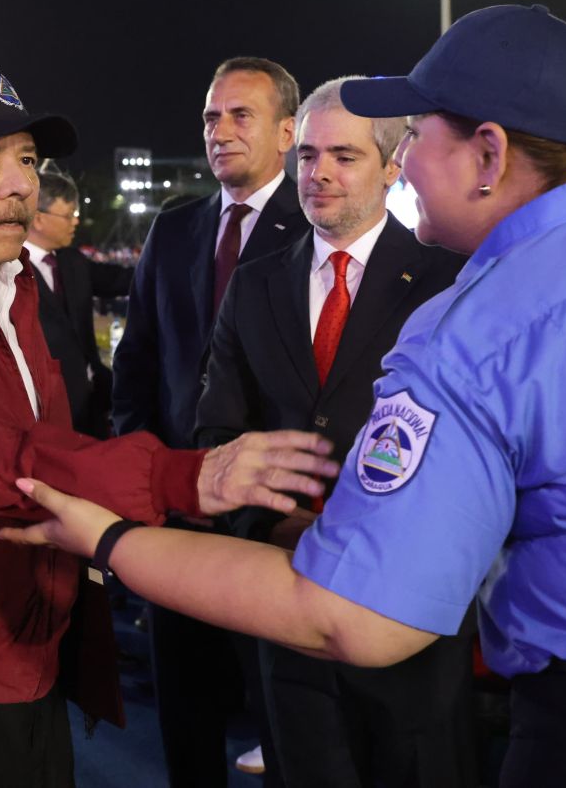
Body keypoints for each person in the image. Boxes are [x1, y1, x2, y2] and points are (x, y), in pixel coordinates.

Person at [0, 5, 566, 788]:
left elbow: (352, 619)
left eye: (415, 135)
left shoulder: (477, 321)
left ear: (488, 154)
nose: (406, 161)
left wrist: (110, 538)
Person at [0, 66, 332, 788]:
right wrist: (180, 475)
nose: (19, 184)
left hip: (23, 654)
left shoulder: (5, 279)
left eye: (26, 159)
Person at [197, 77, 472, 788]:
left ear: (392, 165)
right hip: (286, 606)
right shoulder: (254, 284)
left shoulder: (453, 282)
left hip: (410, 614)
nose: (318, 173)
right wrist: (270, 522)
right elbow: (218, 432)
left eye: (344, 157)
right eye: (309, 155)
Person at [112, 56, 309, 787]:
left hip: (271, 522)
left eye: (240, 115)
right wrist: (143, 472)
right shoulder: (174, 229)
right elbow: (136, 363)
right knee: (185, 721)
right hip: (176, 514)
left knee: (286, 720)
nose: (219, 131)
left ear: (287, 132)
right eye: (210, 117)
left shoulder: (314, 227)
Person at [24, 168, 131, 438]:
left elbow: (122, 280)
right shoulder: (6, 271)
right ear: (38, 218)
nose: (76, 221)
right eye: (68, 215)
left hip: (92, 404)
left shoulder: (73, 262)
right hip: (45, 414)